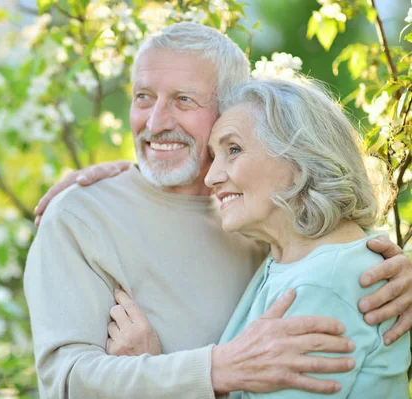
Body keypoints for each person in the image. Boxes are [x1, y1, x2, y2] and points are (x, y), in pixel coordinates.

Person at [24, 22, 412, 398]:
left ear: (229, 109)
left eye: (184, 100)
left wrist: (400, 269)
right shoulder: (79, 215)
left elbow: (334, 259)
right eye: (143, 96)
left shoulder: (258, 218)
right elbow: (65, 384)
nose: (156, 122)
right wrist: (211, 370)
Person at [100, 77, 411, 398]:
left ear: (299, 156)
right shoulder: (296, 258)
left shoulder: (322, 284)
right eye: (213, 155)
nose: (211, 177)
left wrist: (149, 373)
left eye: (233, 149)